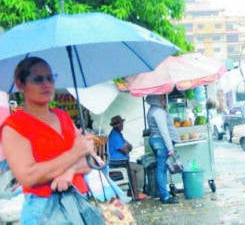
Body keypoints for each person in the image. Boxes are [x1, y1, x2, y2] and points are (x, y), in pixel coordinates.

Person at [0, 57, 97, 224]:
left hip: (79, 201)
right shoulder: (14, 126)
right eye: (38, 79)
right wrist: (74, 154)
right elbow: (28, 176)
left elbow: (91, 162)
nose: (46, 84)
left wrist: (70, 170)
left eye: (50, 78)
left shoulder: (63, 116)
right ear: (21, 84)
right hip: (44, 209)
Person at [145, 94, 180, 204]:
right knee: (161, 169)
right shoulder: (158, 112)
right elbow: (164, 131)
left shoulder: (152, 110)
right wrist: (170, 147)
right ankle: (164, 196)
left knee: (162, 169)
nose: (164, 99)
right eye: (162, 98)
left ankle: (164, 194)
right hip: (161, 142)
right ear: (156, 99)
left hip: (155, 141)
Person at [108, 115, 149, 201]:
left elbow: (130, 147)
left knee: (134, 169)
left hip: (122, 161)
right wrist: (127, 146)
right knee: (140, 168)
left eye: (122, 123)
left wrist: (128, 146)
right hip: (118, 162)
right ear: (116, 125)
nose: (122, 125)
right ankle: (138, 192)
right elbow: (126, 150)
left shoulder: (118, 134)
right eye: (120, 124)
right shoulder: (115, 135)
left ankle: (134, 192)